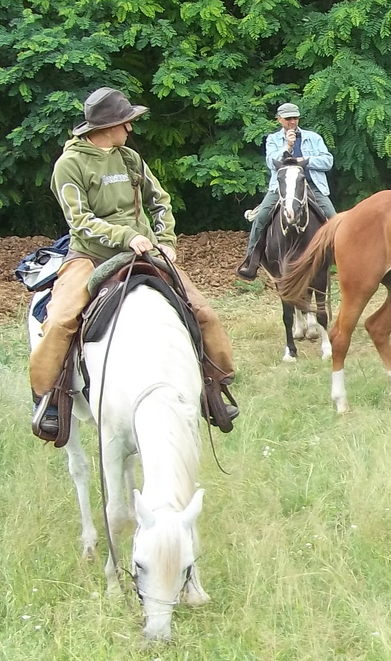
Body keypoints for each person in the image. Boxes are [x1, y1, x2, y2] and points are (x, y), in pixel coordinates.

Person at [30, 87, 237, 439]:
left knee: (202, 311)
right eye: (126, 123)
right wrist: (126, 237)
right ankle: (49, 399)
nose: (130, 129)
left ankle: (214, 386)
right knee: (62, 319)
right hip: (90, 254)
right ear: (108, 126)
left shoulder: (129, 158)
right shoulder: (70, 165)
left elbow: (161, 202)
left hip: (145, 250)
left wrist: (167, 240)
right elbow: (79, 220)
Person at [236, 101, 336, 280]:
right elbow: (271, 162)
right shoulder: (273, 139)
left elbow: (328, 161)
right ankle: (251, 261)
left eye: (295, 117)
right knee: (261, 217)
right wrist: (287, 147)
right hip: (283, 187)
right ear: (279, 119)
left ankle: (341, 258)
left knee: (334, 217)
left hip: (311, 185)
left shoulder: (313, 138)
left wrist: (304, 160)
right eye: (288, 118)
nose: (293, 122)